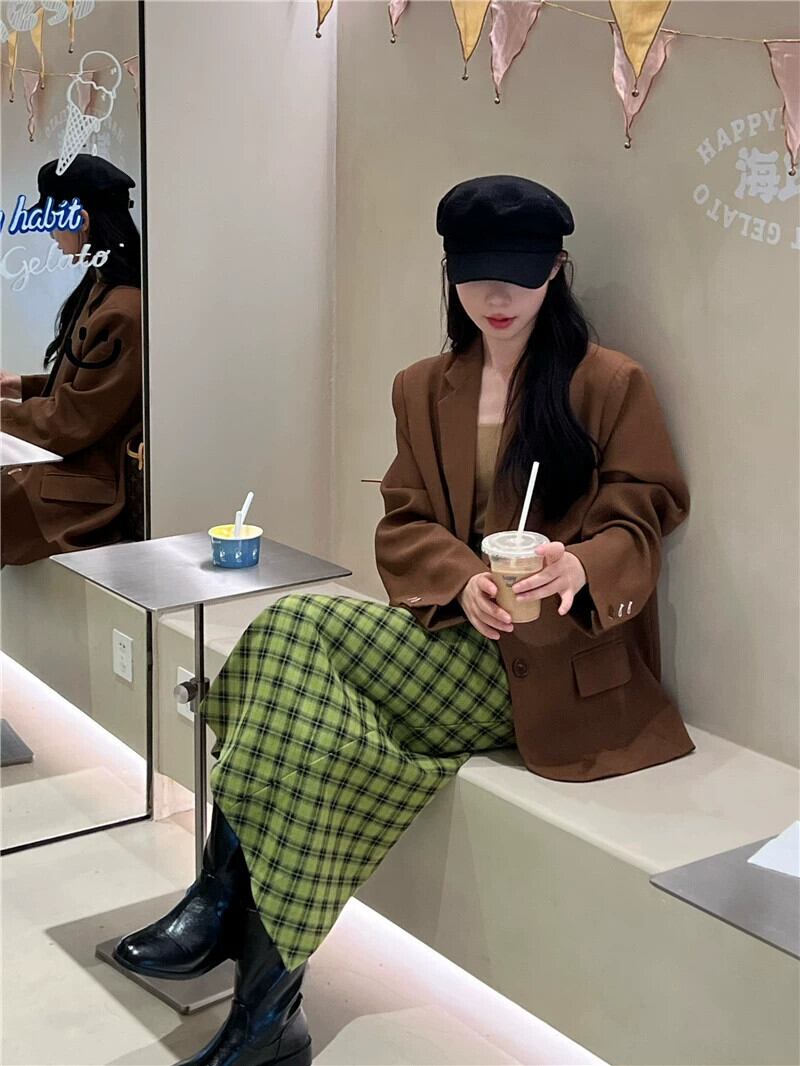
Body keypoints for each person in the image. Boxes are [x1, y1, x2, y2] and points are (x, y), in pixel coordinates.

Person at [111, 175, 695, 1066]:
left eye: (521, 274)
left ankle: (229, 914)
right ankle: (264, 1008)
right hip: (460, 638)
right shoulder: (423, 387)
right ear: (450, 272)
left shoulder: (609, 383)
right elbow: (404, 519)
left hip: (557, 667)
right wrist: (463, 581)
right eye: (476, 274)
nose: (497, 296)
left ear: (557, 269)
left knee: (291, 655)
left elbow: (647, 510)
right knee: (292, 644)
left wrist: (581, 566)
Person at [0, 154, 143, 566]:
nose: (50, 235)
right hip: (71, 473)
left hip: (88, 493)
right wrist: (21, 386)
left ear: (81, 220)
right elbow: (89, 391)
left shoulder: (123, 310)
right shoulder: (105, 291)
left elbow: (74, 419)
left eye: (51, 221)